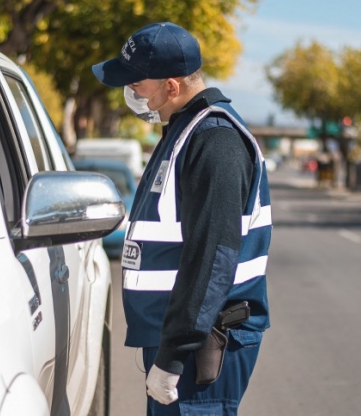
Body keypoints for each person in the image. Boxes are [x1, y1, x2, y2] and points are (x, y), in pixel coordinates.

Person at [92, 22, 272, 415]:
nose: (132, 91)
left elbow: (213, 256)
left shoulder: (215, 140)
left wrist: (173, 357)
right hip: (184, 339)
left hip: (202, 345)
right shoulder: (184, 131)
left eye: (137, 83)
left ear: (172, 86)